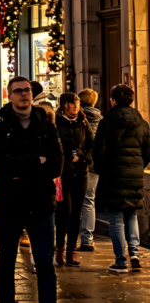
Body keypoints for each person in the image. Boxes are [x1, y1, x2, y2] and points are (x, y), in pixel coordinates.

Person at [0, 76, 63, 302]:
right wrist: (36, 160)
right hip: (9, 204)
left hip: (41, 204)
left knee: (44, 263)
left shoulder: (47, 126)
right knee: (6, 262)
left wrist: (20, 167)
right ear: (9, 96)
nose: (23, 94)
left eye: (27, 90)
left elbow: (56, 164)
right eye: (18, 91)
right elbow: (0, 164)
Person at [93, 84, 150, 273]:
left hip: (113, 174)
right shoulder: (142, 122)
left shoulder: (107, 122)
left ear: (114, 100)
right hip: (134, 174)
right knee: (131, 213)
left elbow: (99, 152)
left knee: (116, 218)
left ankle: (120, 260)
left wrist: (103, 170)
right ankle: (134, 252)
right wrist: (138, 167)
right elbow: (147, 151)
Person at [53, 91, 93, 267]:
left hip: (81, 172)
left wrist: (85, 157)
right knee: (64, 213)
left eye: (77, 102)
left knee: (77, 213)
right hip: (63, 174)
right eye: (71, 103)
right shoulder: (55, 122)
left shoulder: (82, 121)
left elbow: (92, 143)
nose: (75, 105)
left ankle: (71, 252)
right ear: (64, 105)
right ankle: (59, 249)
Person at [78, 88, 102, 251]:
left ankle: (69, 238)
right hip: (94, 166)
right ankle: (87, 239)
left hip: (78, 164)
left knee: (72, 201)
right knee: (89, 201)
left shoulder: (78, 118)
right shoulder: (102, 120)